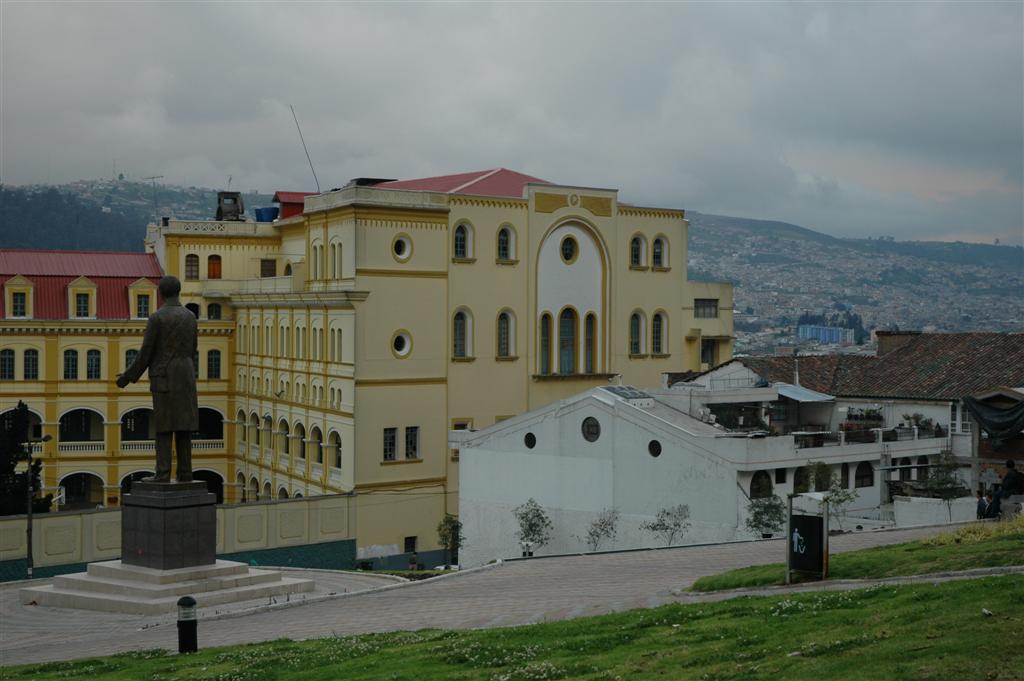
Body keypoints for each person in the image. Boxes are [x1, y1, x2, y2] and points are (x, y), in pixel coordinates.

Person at [116, 276, 198, 483]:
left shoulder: (157, 318)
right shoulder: (190, 316)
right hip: (186, 374)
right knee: (183, 427)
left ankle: (162, 474)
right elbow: (193, 348)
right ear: (178, 291)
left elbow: (146, 353)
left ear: (161, 293)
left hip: (164, 376)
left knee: (164, 427)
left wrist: (127, 377)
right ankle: (185, 473)